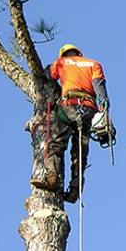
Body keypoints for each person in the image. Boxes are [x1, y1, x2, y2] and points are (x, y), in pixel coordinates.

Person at [30, 44, 110, 203]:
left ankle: (52, 177)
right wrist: (104, 110)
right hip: (89, 109)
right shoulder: (93, 64)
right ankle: (75, 189)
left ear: (64, 54)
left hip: (69, 106)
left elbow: (48, 75)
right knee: (80, 150)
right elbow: (100, 87)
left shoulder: (61, 63)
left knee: (55, 143)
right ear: (79, 53)